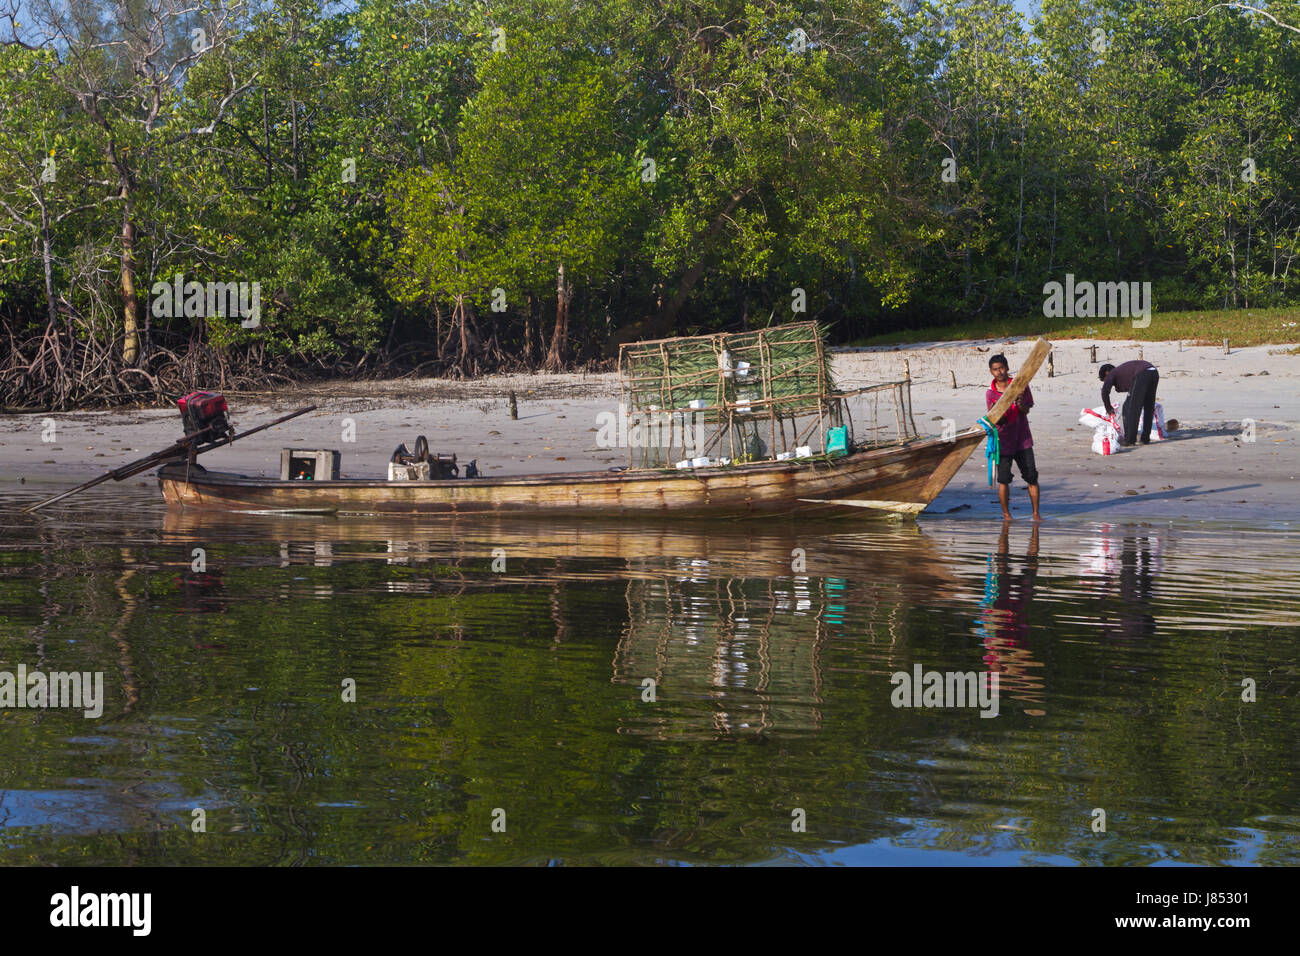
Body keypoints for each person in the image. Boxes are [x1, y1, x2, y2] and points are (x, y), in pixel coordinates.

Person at [986, 353, 1041, 521]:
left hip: (1023, 439)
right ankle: (1006, 515)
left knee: (1031, 476)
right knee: (1003, 480)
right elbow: (996, 420)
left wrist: (1020, 404)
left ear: (1007, 368)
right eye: (995, 369)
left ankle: (1036, 513)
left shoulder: (1020, 386)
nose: (999, 372)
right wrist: (998, 410)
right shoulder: (990, 393)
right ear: (991, 372)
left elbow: (1026, 410)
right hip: (1003, 441)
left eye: (1001, 368)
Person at [1099, 359, 1159, 446]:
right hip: (1153, 372)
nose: (1108, 382)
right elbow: (1128, 388)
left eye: (1105, 380)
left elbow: (1104, 391)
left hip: (1142, 374)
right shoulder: (1122, 371)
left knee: (1131, 409)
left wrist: (1108, 408)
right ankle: (1145, 438)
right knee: (1148, 407)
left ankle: (1130, 440)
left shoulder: (1112, 373)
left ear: (1107, 373)